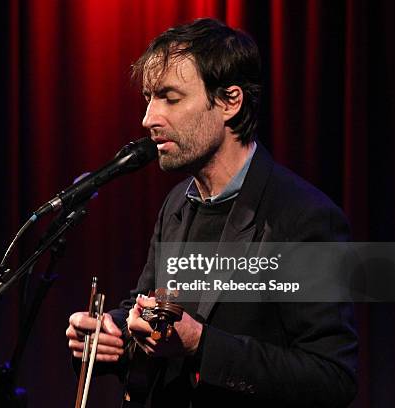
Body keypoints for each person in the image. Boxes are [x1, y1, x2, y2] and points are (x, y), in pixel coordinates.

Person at [65, 18, 357, 407]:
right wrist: (113, 334)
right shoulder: (177, 205)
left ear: (229, 102)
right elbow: (150, 309)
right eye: (149, 98)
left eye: (170, 97)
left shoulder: (304, 217)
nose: (148, 119)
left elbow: (332, 379)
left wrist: (200, 343)